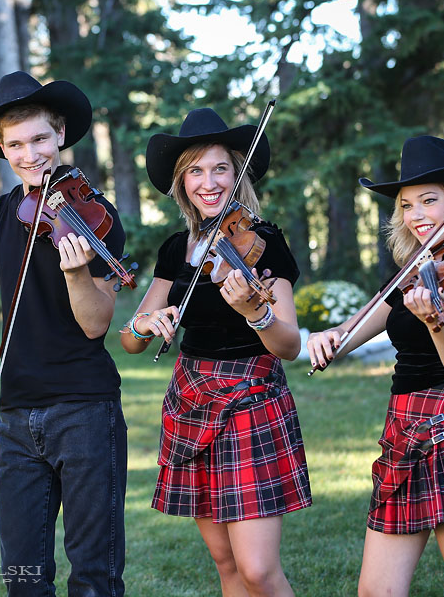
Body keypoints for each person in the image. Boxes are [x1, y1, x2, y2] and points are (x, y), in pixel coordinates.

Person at [306, 136, 444, 597]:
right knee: (376, 590)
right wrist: (330, 337)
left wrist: (437, 324)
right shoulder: (413, 273)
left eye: (429, 200)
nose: (417, 215)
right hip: (403, 428)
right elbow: (351, 333)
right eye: (407, 205)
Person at [121, 108, 310, 597]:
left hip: (250, 400)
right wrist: (145, 321)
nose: (209, 182)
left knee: (257, 570)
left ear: (237, 174)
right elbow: (130, 339)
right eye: (196, 171)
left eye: (221, 168)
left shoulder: (262, 241)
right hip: (190, 399)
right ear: (182, 182)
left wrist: (257, 314)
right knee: (225, 564)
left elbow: (289, 345)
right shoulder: (173, 249)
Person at [0, 71, 127, 596]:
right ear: (2, 149)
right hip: (16, 417)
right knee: (23, 577)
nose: (29, 154)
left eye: (38, 139)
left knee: (94, 576)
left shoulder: (95, 217)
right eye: (15, 144)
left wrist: (77, 273)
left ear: (60, 135)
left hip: (85, 409)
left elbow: (97, 324)